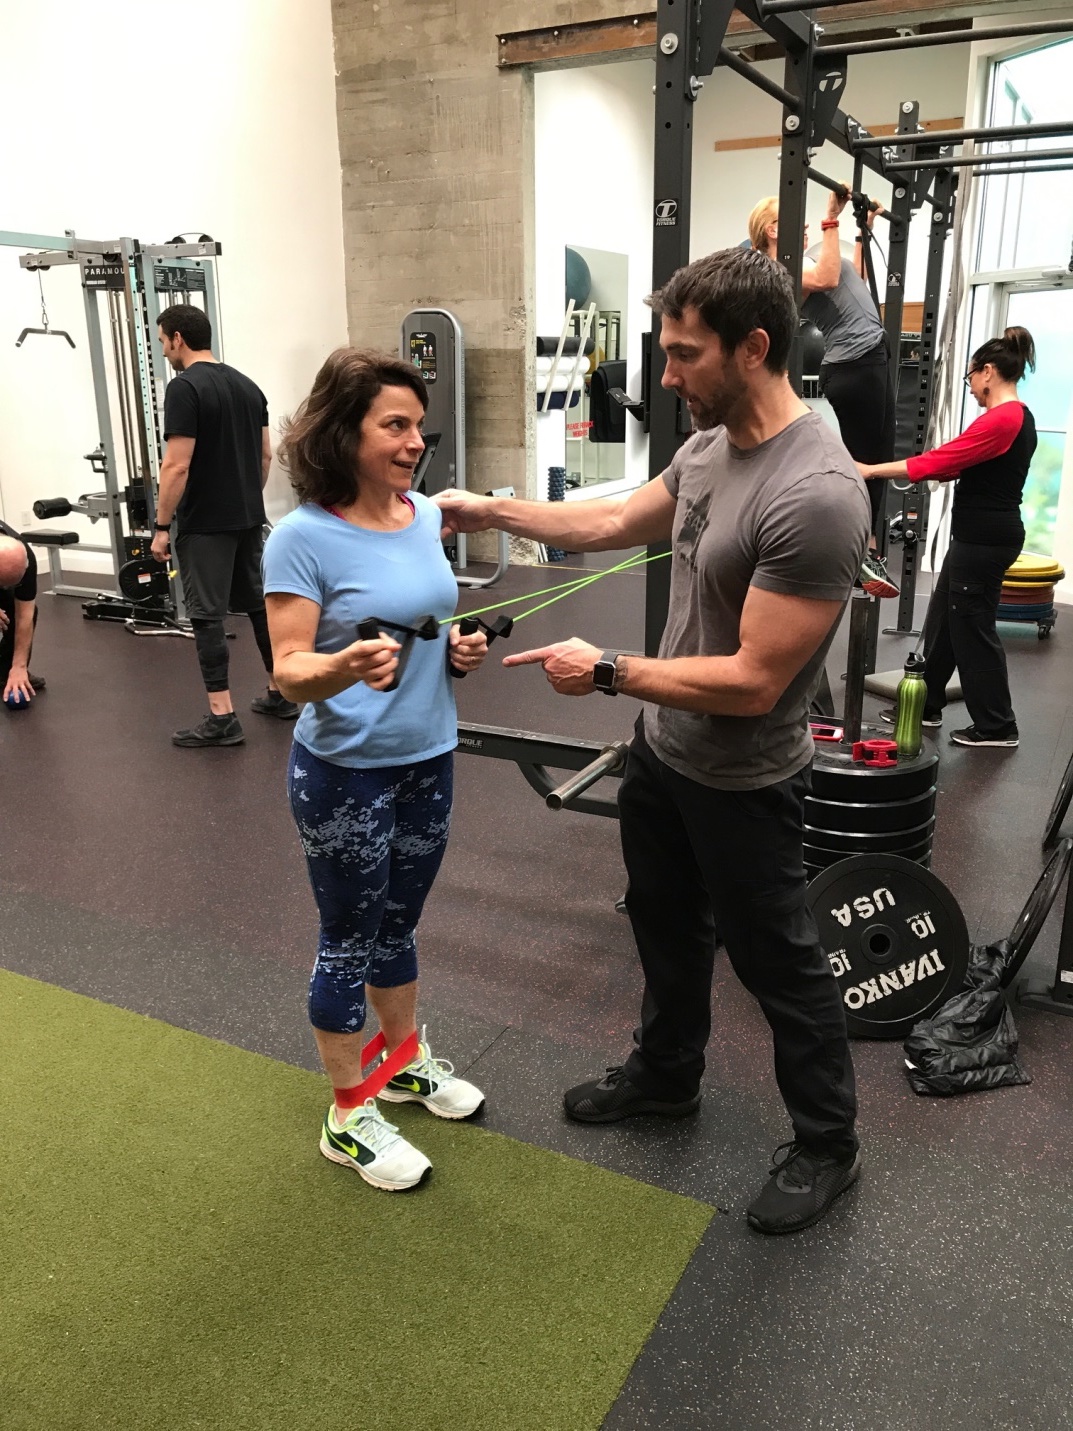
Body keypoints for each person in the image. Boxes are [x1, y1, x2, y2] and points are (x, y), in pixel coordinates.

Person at [435, 248, 871, 1235]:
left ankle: (827, 1143)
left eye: (683, 356)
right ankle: (667, 1076)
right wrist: (487, 509)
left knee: (777, 964)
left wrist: (607, 670)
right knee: (662, 924)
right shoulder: (710, 445)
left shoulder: (816, 493)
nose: (665, 378)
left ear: (753, 348)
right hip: (662, 757)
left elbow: (757, 679)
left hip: (744, 777)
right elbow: (610, 520)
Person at [263, 348, 490, 1193]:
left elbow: (429, 630)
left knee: (401, 924)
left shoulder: (423, 516)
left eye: (417, 428)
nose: (413, 443)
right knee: (349, 938)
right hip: (345, 771)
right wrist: (343, 667)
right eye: (394, 425)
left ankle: (399, 1061)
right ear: (343, 431)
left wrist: (455, 654)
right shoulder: (301, 538)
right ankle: (346, 1112)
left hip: (428, 756)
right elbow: (288, 669)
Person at [859, 326, 1037, 749]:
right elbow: (952, 466)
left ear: (987, 372)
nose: (971, 387)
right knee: (944, 618)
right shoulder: (1009, 418)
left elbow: (943, 459)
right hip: (975, 536)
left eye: (971, 377)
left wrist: (870, 469)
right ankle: (927, 704)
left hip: (985, 539)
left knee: (972, 627)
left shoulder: (1004, 417)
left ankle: (997, 726)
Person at [151, 303, 299, 747]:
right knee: (257, 606)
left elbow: (176, 466)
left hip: (205, 523)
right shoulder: (248, 386)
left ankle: (222, 717)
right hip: (247, 518)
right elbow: (266, 455)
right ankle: (280, 693)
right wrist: (247, 501)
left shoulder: (184, 389)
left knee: (206, 616)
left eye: (162, 342)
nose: (163, 352)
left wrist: (161, 526)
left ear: (178, 337)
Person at [750, 190, 898, 599]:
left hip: (869, 357)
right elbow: (829, 279)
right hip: (854, 365)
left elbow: (851, 280)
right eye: (793, 220)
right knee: (869, 463)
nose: (804, 226)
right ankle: (858, 551)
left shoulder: (806, 260)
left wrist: (862, 232)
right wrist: (831, 217)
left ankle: (865, 551)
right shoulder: (778, 270)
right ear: (772, 229)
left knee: (880, 457)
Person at [0, 523, 43, 709]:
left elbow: (24, 615)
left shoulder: (25, 557)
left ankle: (7, 672)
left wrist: (19, 666)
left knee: (27, 611)